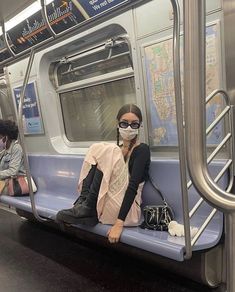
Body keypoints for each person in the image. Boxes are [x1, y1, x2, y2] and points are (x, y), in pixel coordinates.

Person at [56, 104, 151, 243]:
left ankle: (87, 208)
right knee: (103, 150)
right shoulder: (117, 151)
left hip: (127, 210)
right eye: (124, 123)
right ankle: (84, 203)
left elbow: (133, 186)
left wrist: (119, 224)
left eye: (134, 124)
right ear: (118, 125)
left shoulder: (142, 150)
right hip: (107, 199)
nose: (129, 128)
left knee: (105, 149)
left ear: (139, 126)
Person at [0, 120, 25, 194]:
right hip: (4, 182)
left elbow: (13, 171)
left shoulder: (16, 148)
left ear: (6, 137)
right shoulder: (4, 151)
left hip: (15, 183)